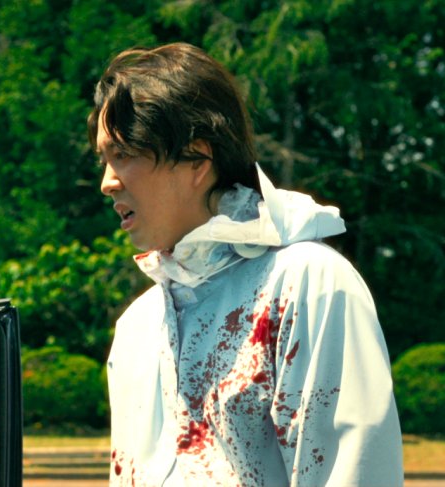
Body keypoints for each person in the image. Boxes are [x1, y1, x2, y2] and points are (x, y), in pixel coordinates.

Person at [89, 43, 403, 487]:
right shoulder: (137, 326)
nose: (107, 182)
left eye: (123, 154)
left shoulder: (305, 283)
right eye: (104, 160)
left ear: (197, 159)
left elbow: (352, 472)